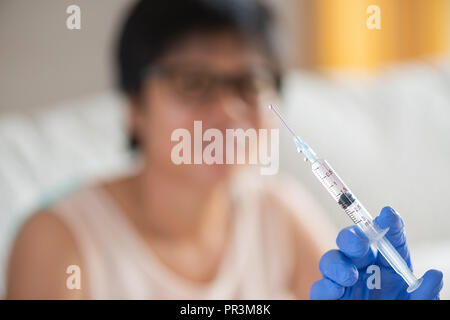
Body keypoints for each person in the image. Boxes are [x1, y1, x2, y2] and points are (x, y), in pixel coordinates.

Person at [5, 0, 442, 300]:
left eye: (248, 84)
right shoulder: (59, 240)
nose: (228, 111)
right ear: (134, 106)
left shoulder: (278, 213)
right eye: (193, 83)